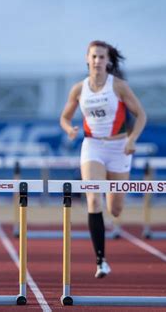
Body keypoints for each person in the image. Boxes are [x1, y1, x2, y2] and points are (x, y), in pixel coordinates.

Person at [60, 40, 146, 278]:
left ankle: (111, 214)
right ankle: (101, 261)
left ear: (108, 61)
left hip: (119, 147)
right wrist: (68, 129)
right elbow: (64, 117)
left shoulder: (118, 86)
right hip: (93, 146)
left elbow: (141, 115)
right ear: (87, 59)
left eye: (101, 57)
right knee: (93, 201)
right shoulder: (79, 89)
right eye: (94, 57)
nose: (97, 61)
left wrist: (132, 139)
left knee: (115, 209)